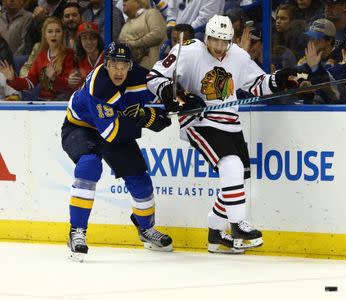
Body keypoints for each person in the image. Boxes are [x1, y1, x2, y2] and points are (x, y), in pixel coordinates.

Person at [146, 15, 297, 254]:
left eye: (224, 42)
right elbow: (155, 77)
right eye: (215, 40)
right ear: (206, 37)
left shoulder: (238, 55)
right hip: (198, 121)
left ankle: (216, 234)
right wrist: (177, 95)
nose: (219, 47)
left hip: (231, 123)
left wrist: (279, 81)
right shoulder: (188, 52)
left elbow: (257, 84)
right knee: (232, 165)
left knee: (236, 178)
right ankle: (237, 225)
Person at [61, 42, 173, 262]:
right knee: (89, 165)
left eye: (124, 65)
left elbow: (156, 84)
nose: (119, 71)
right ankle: (77, 232)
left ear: (130, 66)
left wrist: (175, 98)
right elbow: (112, 133)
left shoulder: (135, 75)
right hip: (81, 128)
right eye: (114, 65)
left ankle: (146, 228)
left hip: (114, 125)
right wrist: (149, 119)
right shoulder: (98, 85)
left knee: (139, 179)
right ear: (106, 64)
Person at [0, 17, 76, 100]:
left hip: (63, 101)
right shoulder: (41, 56)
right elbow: (30, 83)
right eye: (50, 31)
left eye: (58, 31)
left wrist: (54, 79)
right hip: (43, 101)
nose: (54, 34)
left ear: (62, 34)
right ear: (45, 35)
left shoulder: (70, 54)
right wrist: (13, 79)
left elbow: (70, 85)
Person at [118, 0, 166, 70]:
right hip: (131, 69)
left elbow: (157, 34)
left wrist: (134, 43)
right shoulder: (128, 21)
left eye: (126, 0)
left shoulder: (151, 13)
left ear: (138, 2)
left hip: (150, 69)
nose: (123, 2)